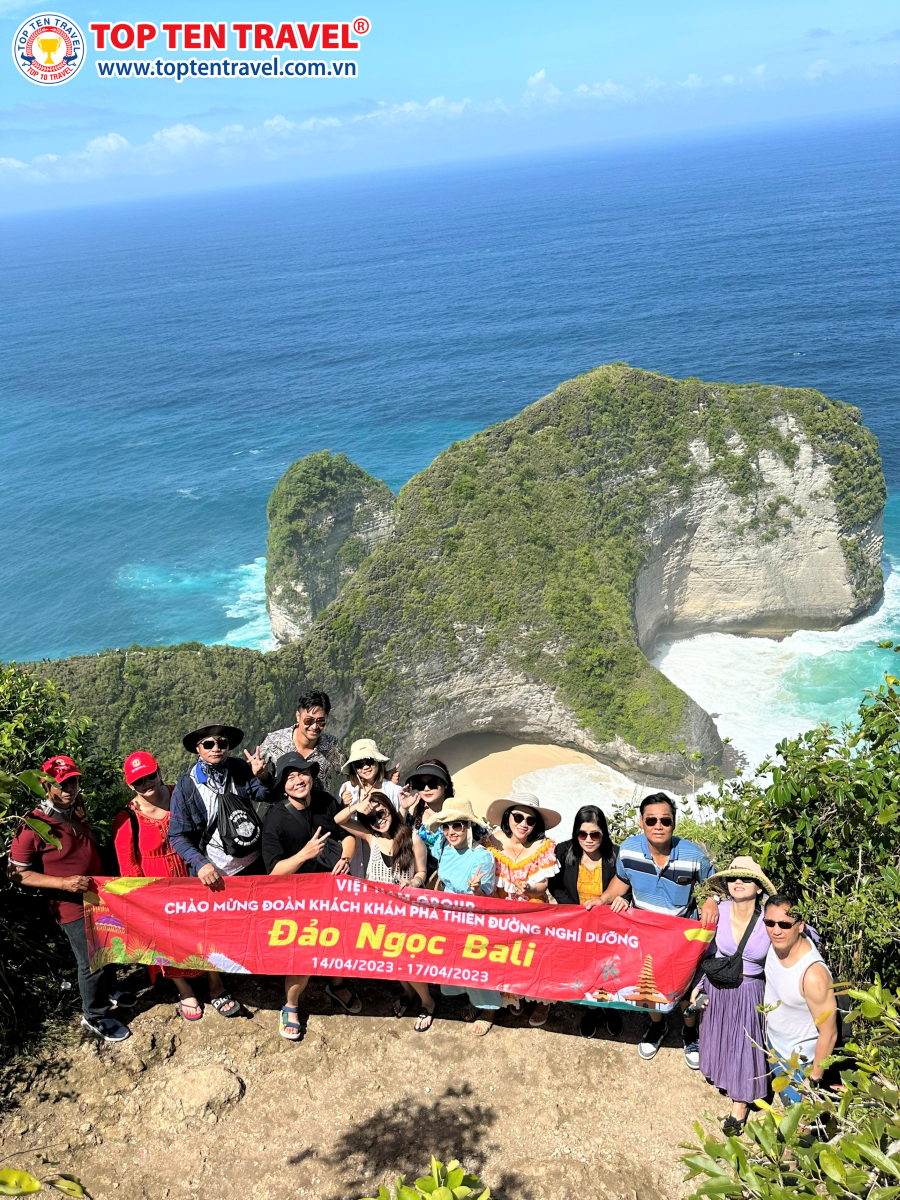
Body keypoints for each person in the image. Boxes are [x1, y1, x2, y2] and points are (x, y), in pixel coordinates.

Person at [8, 755, 132, 1042]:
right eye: (62, 784)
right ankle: (94, 1015)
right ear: (46, 786)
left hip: (97, 892)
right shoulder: (30, 828)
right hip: (69, 904)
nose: (69, 789)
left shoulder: (76, 805)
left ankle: (108, 990)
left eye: (74, 781)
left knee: (109, 943)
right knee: (91, 959)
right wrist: (63, 883)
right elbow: (16, 874)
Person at [594, 792, 718, 1067]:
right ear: (641, 822)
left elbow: (714, 882)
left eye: (665, 820)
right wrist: (603, 899)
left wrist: (711, 898)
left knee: (685, 988)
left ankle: (689, 1031)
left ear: (674, 823)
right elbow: (621, 880)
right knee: (647, 983)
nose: (658, 825)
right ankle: (658, 1026)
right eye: (651, 820)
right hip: (645, 933)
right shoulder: (628, 850)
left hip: (682, 935)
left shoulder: (692, 855)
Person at [113, 751, 231, 1022]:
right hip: (158, 889)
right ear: (130, 785)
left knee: (204, 930)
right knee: (167, 940)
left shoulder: (180, 794)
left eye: (150, 775)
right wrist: (144, 901)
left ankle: (215, 983)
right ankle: (184, 989)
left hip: (194, 875)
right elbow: (128, 867)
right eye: (139, 781)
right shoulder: (127, 819)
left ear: (158, 771)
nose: (146, 783)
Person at [169, 721, 272, 1017]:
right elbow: (177, 834)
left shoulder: (238, 769)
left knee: (251, 918)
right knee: (211, 930)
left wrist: (262, 775)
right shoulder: (187, 786)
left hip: (253, 862)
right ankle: (216, 987)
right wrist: (199, 864)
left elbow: (264, 795)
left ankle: (253, 965)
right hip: (217, 870)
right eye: (209, 744)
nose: (217, 749)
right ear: (198, 749)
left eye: (222, 743)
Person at [261, 751, 362, 1039]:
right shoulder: (275, 819)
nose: (298, 780)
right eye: (290, 777)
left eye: (302, 773)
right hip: (298, 897)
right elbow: (273, 872)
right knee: (302, 953)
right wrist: (303, 855)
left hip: (333, 887)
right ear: (282, 786)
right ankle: (290, 1005)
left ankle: (337, 983)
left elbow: (347, 836)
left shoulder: (325, 802)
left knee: (337, 940)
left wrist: (346, 857)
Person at [334, 792, 435, 1031]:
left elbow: (421, 871)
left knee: (406, 959)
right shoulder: (371, 837)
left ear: (389, 808)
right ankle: (409, 994)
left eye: (381, 813)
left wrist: (414, 883)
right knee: (392, 959)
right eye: (371, 818)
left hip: (406, 910)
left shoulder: (412, 838)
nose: (378, 820)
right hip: (378, 912)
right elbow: (339, 820)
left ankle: (428, 1002)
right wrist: (356, 807)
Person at [696, 856, 776, 1134]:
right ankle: (723, 1076)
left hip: (749, 991)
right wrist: (698, 986)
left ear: (759, 887)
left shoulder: (770, 917)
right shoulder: (718, 910)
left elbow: (797, 940)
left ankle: (740, 1104)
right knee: (720, 1036)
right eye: (733, 878)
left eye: (746, 878)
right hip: (718, 988)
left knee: (744, 1044)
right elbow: (705, 950)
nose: (738, 882)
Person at [483, 793, 561, 1028]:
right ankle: (512, 997)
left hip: (533, 913)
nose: (523, 824)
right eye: (518, 817)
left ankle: (540, 1002)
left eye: (530, 820)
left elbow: (543, 886)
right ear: (508, 817)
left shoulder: (543, 848)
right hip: (501, 913)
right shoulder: (491, 843)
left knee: (534, 959)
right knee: (506, 959)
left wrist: (529, 887)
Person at [426, 797, 502, 1037]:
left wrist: (476, 888)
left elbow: (485, 897)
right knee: (457, 964)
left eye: (457, 825)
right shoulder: (445, 849)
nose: (450, 832)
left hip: (473, 917)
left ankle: (489, 1010)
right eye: (445, 826)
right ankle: (473, 1000)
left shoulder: (482, 857)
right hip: (449, 916)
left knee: (475, 964)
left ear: (468, 827)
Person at [550, 804, 622, 1038]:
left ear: (604, 833)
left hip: (609, 928)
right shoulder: (563, 852)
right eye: (583, 834)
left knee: (610, 971)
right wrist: (575, 911)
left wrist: (623, 901)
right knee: (585, 971)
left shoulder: (617, 856)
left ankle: (611, 1009)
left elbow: (628, 885)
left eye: (595, 834)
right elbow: (555, 885)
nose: (589, 840)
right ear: (575, 833)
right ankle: (591, 1009)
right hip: (578, 927)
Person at [763, 892, 838, 1104]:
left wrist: (813, 1078)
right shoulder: (777, 944)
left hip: (800, 1063)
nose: (776, 930)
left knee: (800, 1123)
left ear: (800, 925)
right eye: (770, 923)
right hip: (774, 1045)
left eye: (784, 924)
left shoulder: (812, 975)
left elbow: (829, 1033)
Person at [249, 689, 344, 796]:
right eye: (308, 720)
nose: (314, 727)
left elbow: (348, 772)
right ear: (298, 716)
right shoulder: (275, 741)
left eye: (321, 721)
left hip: (319, 809)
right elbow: (254, 771)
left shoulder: (332, 744)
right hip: (283, 808)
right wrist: (261, 775)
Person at [339, 739, 402, 809]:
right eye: (359, 764)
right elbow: (337, 817)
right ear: (354, 768)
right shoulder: (347, 788)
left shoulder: (394, 790)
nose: (366, 767)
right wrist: (343, 805)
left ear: (378, 761)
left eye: (369, 761)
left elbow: (399, 818)